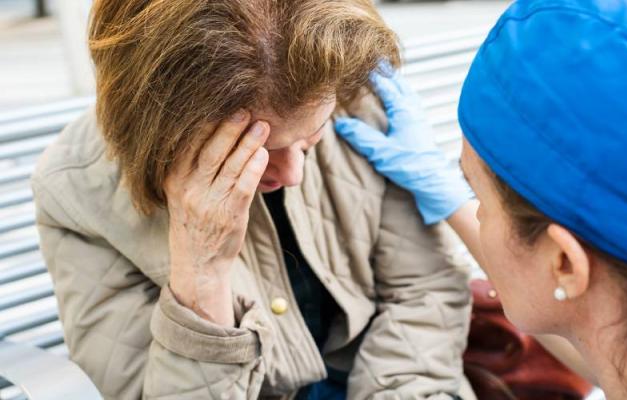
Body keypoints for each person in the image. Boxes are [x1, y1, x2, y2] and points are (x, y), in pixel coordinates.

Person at [335, 0, 627, 398]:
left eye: (478, 196)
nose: (472, 207)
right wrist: (452, 201)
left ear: (565, 263)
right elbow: (601, 332)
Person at [31, 1, 475, 399]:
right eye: (253, 151)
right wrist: (201, 277)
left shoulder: (352, 91)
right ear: (162, 126)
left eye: (308, 138)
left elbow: (424, 290)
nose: (292, 174)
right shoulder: (76, 189)